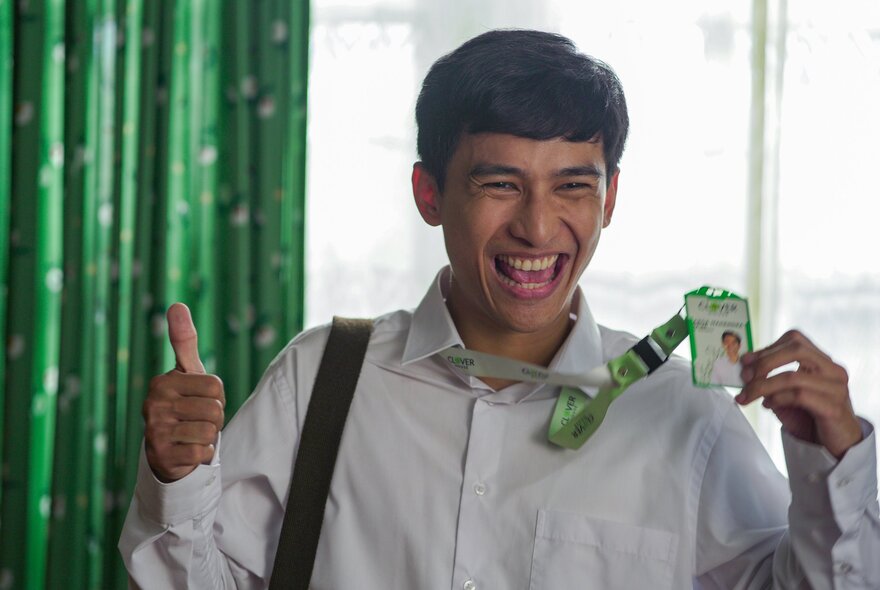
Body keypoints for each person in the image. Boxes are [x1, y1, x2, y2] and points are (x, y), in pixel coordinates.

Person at [120, 30, 879, 588]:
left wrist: (833, 470)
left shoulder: (687, 417)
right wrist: (177, 477)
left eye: (572, 186)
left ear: (610, 198)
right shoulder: (320, 378)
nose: (539, 229)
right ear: (429, 194)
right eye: (500, 185)